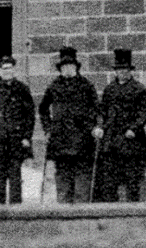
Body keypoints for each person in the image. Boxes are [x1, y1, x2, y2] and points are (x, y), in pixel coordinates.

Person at [39, 46, 100, 204]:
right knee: (63, 188)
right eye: (64, 66)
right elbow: (43, 109)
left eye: (70, 66)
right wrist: (48, 128)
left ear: (76, 67)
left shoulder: (86, 85)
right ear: (60, 68)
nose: (67, 69)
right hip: (61, 141)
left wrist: (93, 127)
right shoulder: (54, 86)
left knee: (81, 189)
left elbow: (97, 109)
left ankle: (81, 221)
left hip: (83, 141)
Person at [94, 49, 146, 202]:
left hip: (131, 142)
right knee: (109, 182)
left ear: (130, 70)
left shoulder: (139, 89)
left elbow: (144, 113)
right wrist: (100, 127)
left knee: (132, 182)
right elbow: (102, 111)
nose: (122, 72)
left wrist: (134, 128)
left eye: (125, 69)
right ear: (116, 71)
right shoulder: (109, 89)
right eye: (119, 69)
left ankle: (133, 212)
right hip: (111, 142)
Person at [0, 56, 35, 206]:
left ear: (14, 69)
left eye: (9, 68)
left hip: (16, 139)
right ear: (0, 71)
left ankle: (16, 210)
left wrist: (26, 137)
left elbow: (29, 115)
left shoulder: (22, 89)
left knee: (15, 176)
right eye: (4, 69)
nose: (7, 71)